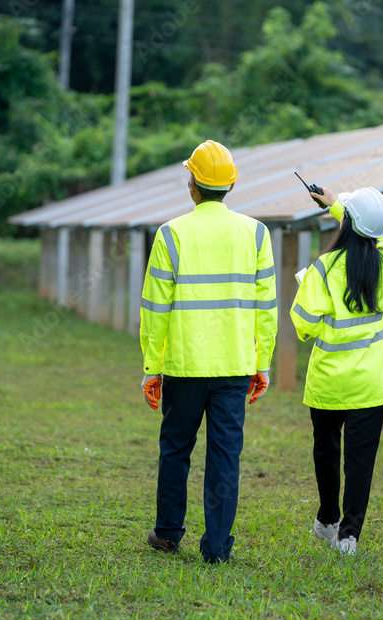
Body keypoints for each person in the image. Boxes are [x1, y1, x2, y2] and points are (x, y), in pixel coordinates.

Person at [140, 139, 278, 564]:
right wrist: (262, 364)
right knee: (224, 457)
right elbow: (265, 307)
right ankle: (217, 548)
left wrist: (152, 368)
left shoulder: (170, 234)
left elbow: (154, 308)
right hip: (235, 367)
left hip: (183, 365)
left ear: (192, 184)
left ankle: (167, 534)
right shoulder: (256, 234)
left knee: (176, 449)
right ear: (231, 184)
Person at [290, 184, 383, 556]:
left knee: (326, 451)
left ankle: (328, 520)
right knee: (360, 461)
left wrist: (303, 283)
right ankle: (349, 537)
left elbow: (303, 325)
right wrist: (339, 207)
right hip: (372, 382)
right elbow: (372, 231)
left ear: (346, 225)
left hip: (329, 382)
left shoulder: (322, 269)